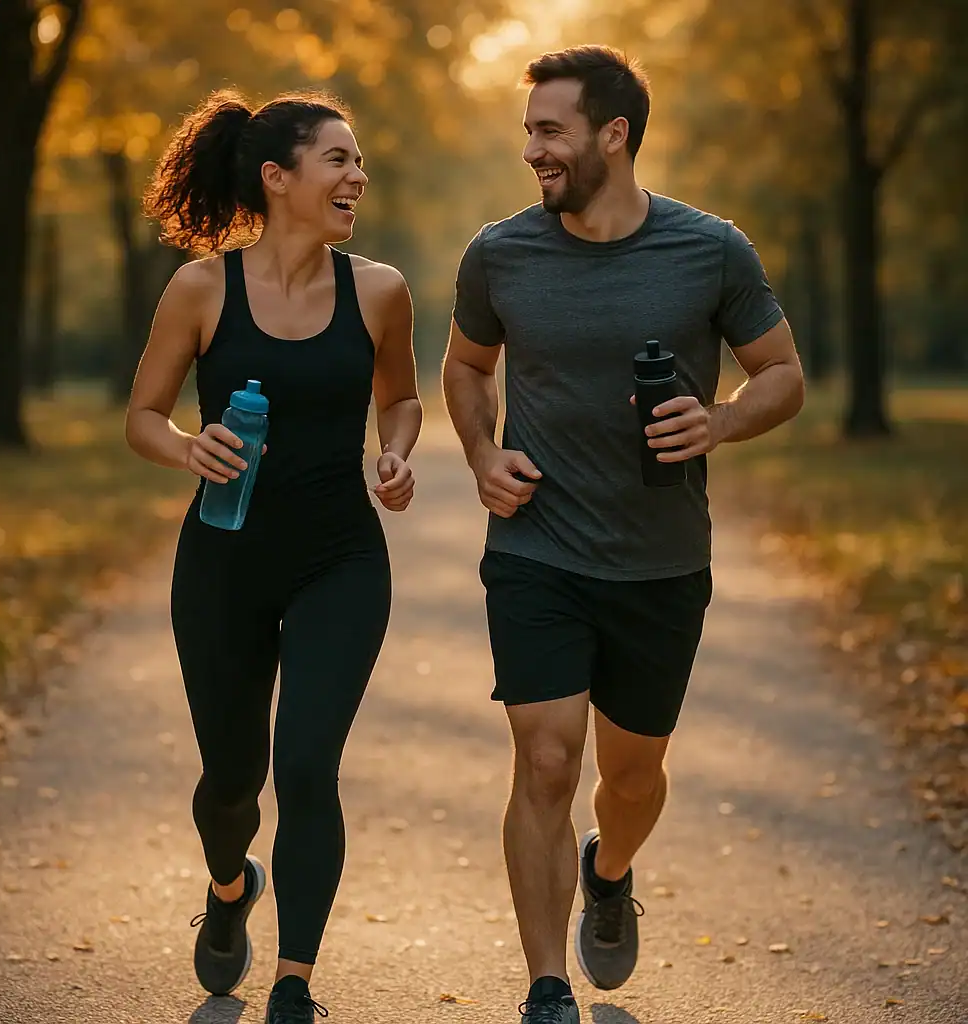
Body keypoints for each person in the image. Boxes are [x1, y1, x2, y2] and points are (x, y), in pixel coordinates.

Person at [442, 45, 805, 1023]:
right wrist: (481, 454)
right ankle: (545, 986)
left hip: (659, 561)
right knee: (547, 757)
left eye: (549, 130)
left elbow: (781, 373)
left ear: (614, 134)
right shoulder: (500, 252)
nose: (531, 151)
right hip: (535, 547)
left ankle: (612, 870)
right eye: (527, 132)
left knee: (630, 776)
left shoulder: (709, 249)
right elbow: (467, 369)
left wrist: (719, 419)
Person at [126, 88, 422, 1023]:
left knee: (305, 766)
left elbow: (403, 399)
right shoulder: (202, 289)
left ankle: (295, 983)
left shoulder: (378, 290)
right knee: (232, 781)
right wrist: (188, 447)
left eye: (358, 160)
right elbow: (142, 415)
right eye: (338, 159)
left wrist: (396, 451)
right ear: (278, 176)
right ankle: (227, 886)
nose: (357, 176)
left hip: (342, 557)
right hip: (223, 560)